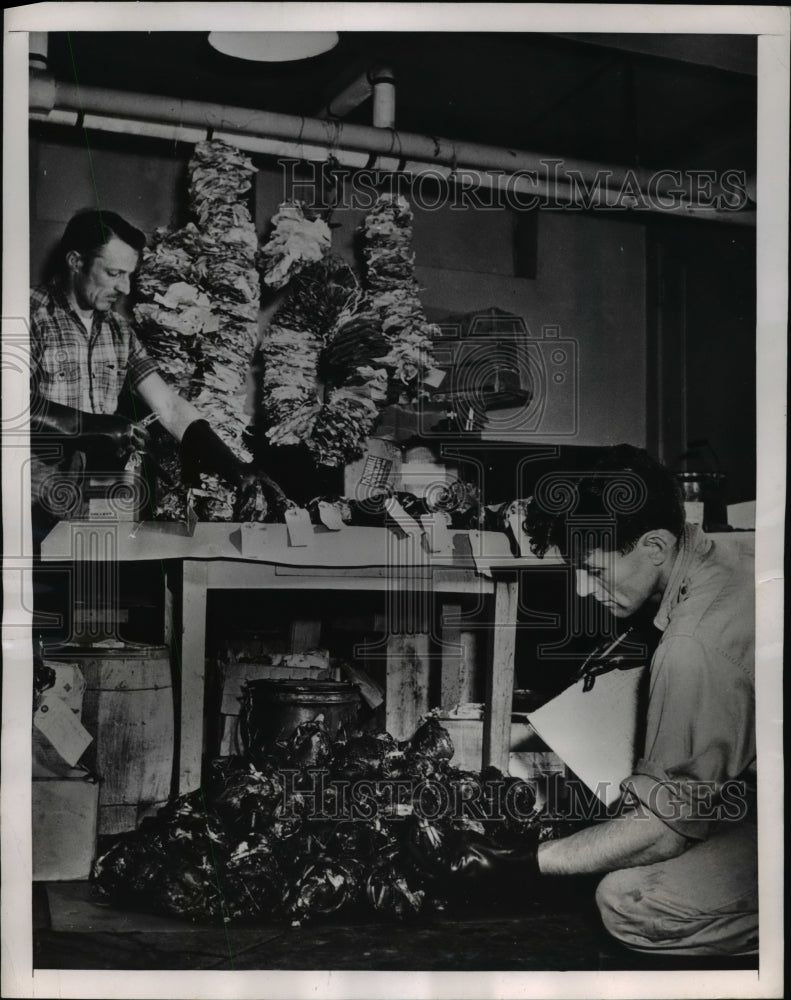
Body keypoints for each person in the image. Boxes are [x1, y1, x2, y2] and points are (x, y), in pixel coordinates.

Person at [433, 445, 757, 958]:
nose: (583, 590)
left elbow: (663, 834)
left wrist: (525, 862)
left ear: (654, 545)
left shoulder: (693, 645)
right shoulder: (732, 557)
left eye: (594, 569)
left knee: (630, 900)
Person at [29, 209, 278, 532]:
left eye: (129, 275)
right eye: (115, 273)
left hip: (92, 504)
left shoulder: (119, 331)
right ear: (76, 262)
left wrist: (236, 467)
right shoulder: (29, 312)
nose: (126, 288)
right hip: (31, 504)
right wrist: (93, 425)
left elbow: (170, 407)